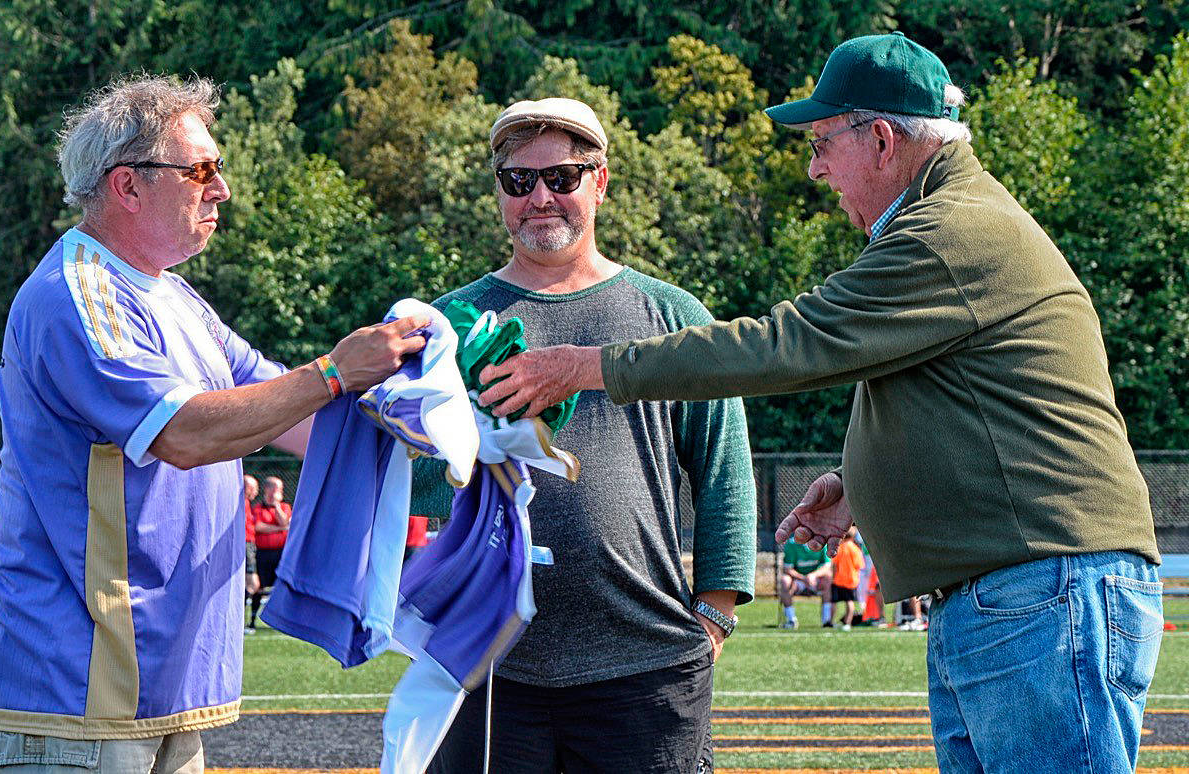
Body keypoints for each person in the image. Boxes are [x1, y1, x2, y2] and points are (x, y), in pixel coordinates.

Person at [475, 33, 1163, 773]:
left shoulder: (945, 232)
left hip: (1036, 588)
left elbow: (788, 344)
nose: (814, 166)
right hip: (1016, 589)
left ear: (880, 139)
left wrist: (584, 366)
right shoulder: (952, 221)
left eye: (820, 141)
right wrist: (861, 487)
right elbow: (974, 408)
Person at [0, 75, 428, 774]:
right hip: (79, 696)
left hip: (161, 694)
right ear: (128, 185)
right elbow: (186, 434)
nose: (219, 189)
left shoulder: (175, 296)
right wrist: (337, 372)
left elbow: (294, 412)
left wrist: (438, 410)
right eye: (201, 170)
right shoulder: (77, 295)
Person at [412, 97, 757, 773]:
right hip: (486, 667)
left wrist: (712, 621)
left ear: (601, 182)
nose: (541, 197)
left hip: (646, 665)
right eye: (519, 181)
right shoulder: (450, 324)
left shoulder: (671, 314)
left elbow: (726, 476)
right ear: (500, 193)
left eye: (563, 177)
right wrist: (463, 440)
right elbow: (416, 483)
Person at [247, 476, 291, 631]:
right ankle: (252, 620)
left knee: (282, 586)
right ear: (268, 489)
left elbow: (284, 522)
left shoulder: (284, 507)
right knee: (259, 587)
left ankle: (282, 622)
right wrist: (279, 529)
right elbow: (259, 527)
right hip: (263, 554)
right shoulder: (258, 508)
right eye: (277, 488)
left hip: (280, 553)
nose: (279, 491)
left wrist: (276, 505)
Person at [778, 537, 832, 628]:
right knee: (785, 581)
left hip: (815, 580)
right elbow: (787, 569)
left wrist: (813, 576)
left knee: (828, 577)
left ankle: (826, 621)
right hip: (798, 580)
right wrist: (803, 578)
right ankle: (791, 620)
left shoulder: (822, 542)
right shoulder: (792, 544)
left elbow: (827, 567)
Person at [829, 526, 864, 631]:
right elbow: (859, 566)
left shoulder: (840, 548)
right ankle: (847, 623)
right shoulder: (856, 549)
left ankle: (831, 622)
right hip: (851, 581)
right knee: (849, 601)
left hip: (838, 579)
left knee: (834, 602)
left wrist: (833, 577)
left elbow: (835, 564)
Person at [244, 474, 261, 605]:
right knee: (253, 584)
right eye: (254, 488)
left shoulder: (246, 503)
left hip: (248, 545)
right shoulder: (241, 503)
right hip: (246, 545)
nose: (256, 492)